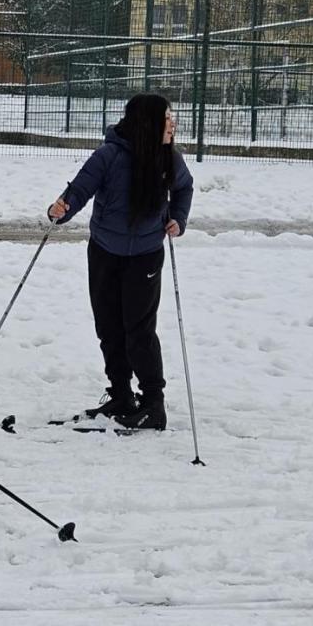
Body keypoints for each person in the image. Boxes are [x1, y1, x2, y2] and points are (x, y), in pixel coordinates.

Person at [46, 93, 194, 431]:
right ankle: (122, 395)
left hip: (145, 255)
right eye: (166, 118)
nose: (172, 124)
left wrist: (178, 218)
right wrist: (61, 209)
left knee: (139, 331)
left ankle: (153, 404)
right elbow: (79, 189)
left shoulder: (168, 159)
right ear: (147, 124)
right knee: (109, 327)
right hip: (104, 251)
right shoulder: (109, 155)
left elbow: (184, 189)